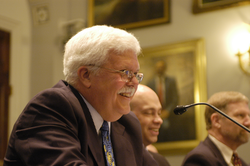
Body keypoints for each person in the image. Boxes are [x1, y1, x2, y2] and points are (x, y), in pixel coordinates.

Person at [4, 25, 158, 166]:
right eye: (125, 73)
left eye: (136, 74)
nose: (134, 82)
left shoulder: (127, 123)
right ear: (86, 75)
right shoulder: (51, 108)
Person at [182, 91, 250, 166]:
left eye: (248, 116)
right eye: (240, 115)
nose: (248, 122)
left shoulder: (239, 162)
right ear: (216, 121)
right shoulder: (198, 159)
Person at [130, 84, 171, 166]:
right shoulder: (112, 159)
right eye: (148, 113)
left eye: (159, 113)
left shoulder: (160, 162)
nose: (159, 120)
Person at [147, 60, 180, 142]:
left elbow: (175, 98)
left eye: (161, 67)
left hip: (169, 114)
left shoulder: (171, 81)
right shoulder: (150, 83)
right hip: (155, 114)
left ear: (164, 68)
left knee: (168, 130)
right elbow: (148, 100)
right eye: (158, 67)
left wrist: (167, 111)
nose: (159, 69)